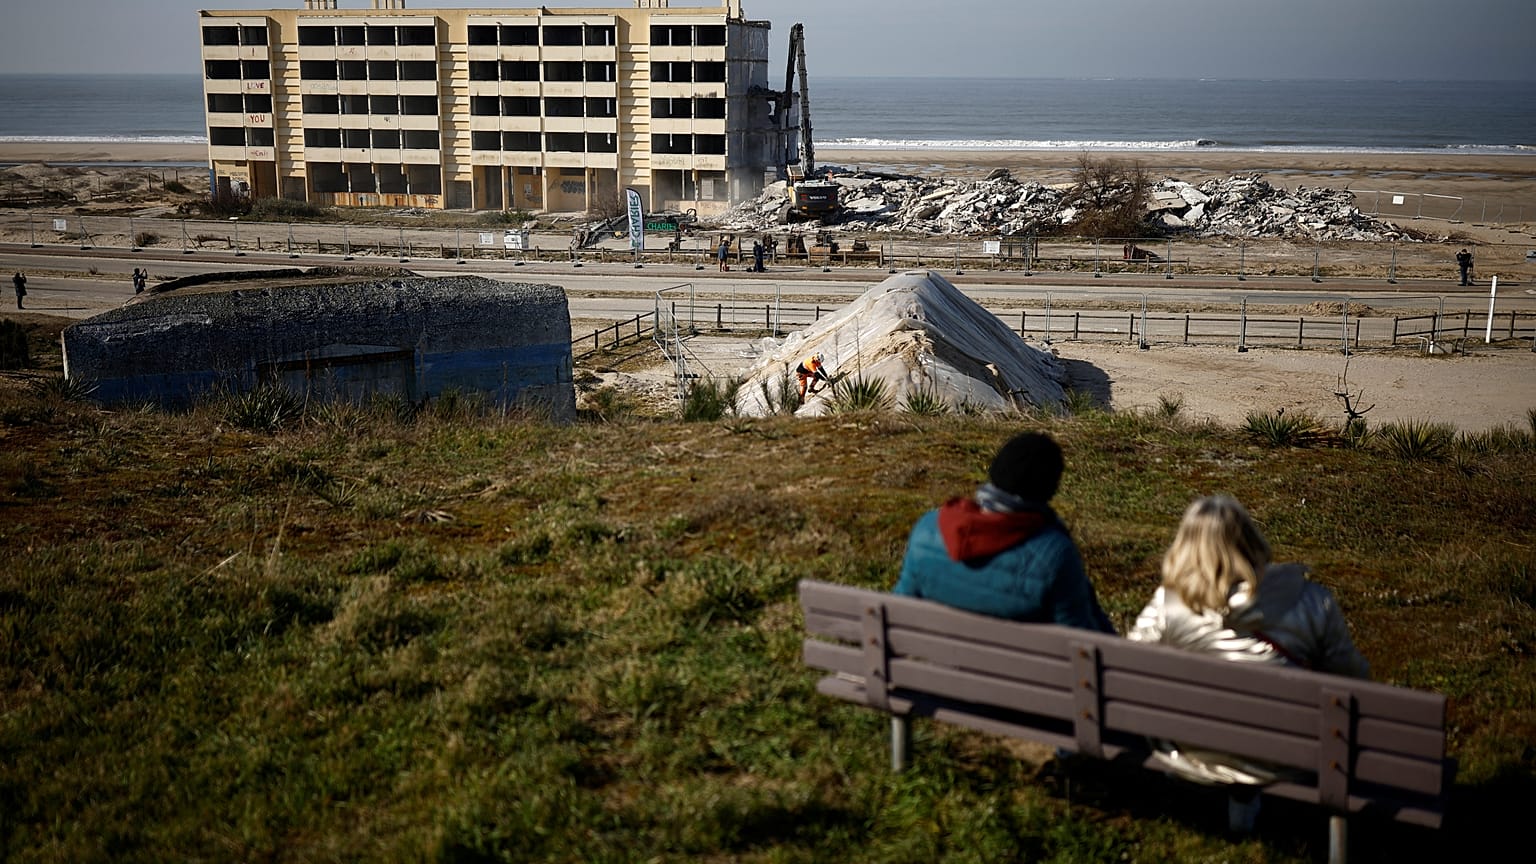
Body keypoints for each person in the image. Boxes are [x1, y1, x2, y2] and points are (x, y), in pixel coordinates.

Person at [1127, 495, 1369, 829]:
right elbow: (1354, 681)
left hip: (1192, 748)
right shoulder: (1314, 601)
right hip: (1291, 755)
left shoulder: (1167, 604)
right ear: (1251, 537)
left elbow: (1127, 668)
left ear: (1185, 545)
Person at [893, 431, 1115, 634]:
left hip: (933, 675)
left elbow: (899, 611)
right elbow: (1083, 641)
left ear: (996, 471)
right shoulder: (1053, 555)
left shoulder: (929, 530)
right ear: (1050, 489)